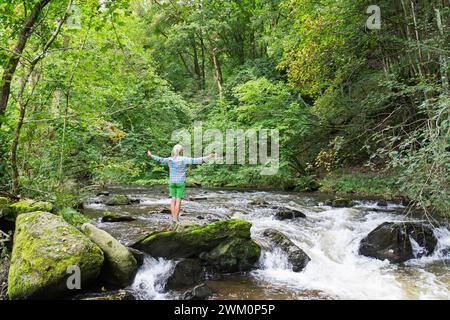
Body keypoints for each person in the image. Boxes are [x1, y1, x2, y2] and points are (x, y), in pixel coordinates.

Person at [147, 144, 215, 224]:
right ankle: (176, 219)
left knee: (173, 200)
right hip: (180, 182)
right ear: (181, 151)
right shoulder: (184, 159)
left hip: (172, 182)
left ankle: (173, 219)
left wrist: (151, 155)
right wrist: (209, 157)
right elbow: (197, 160)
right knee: (178, 200)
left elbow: (160, 159)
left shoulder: (169, 159)